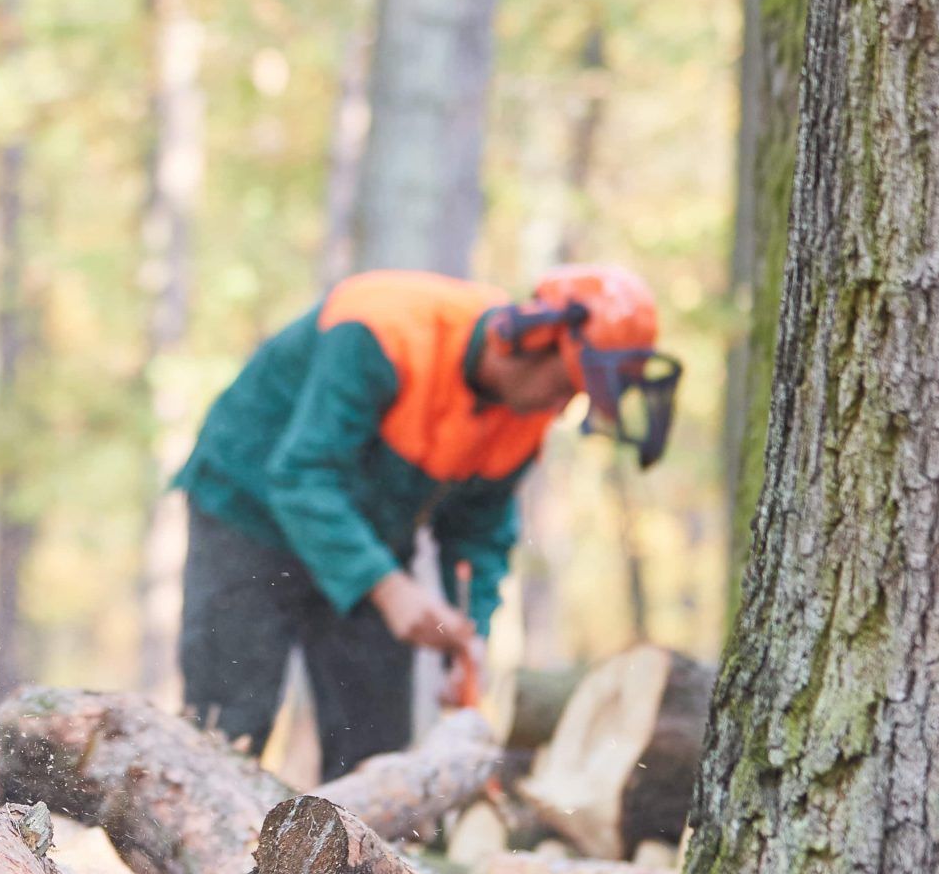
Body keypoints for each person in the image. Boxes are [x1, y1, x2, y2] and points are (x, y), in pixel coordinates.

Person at [173, 266, 678, 777]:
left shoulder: (526, 416)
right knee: (229, 722)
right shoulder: (383, 332)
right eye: (567, 385)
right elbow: (302, 476)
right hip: (249, 511)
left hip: (368, 535)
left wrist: (470, 639)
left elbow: (480, 531)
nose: (563, 404)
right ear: (533, 341)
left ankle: (357, 853)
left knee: (375, 744)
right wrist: (390, 589)